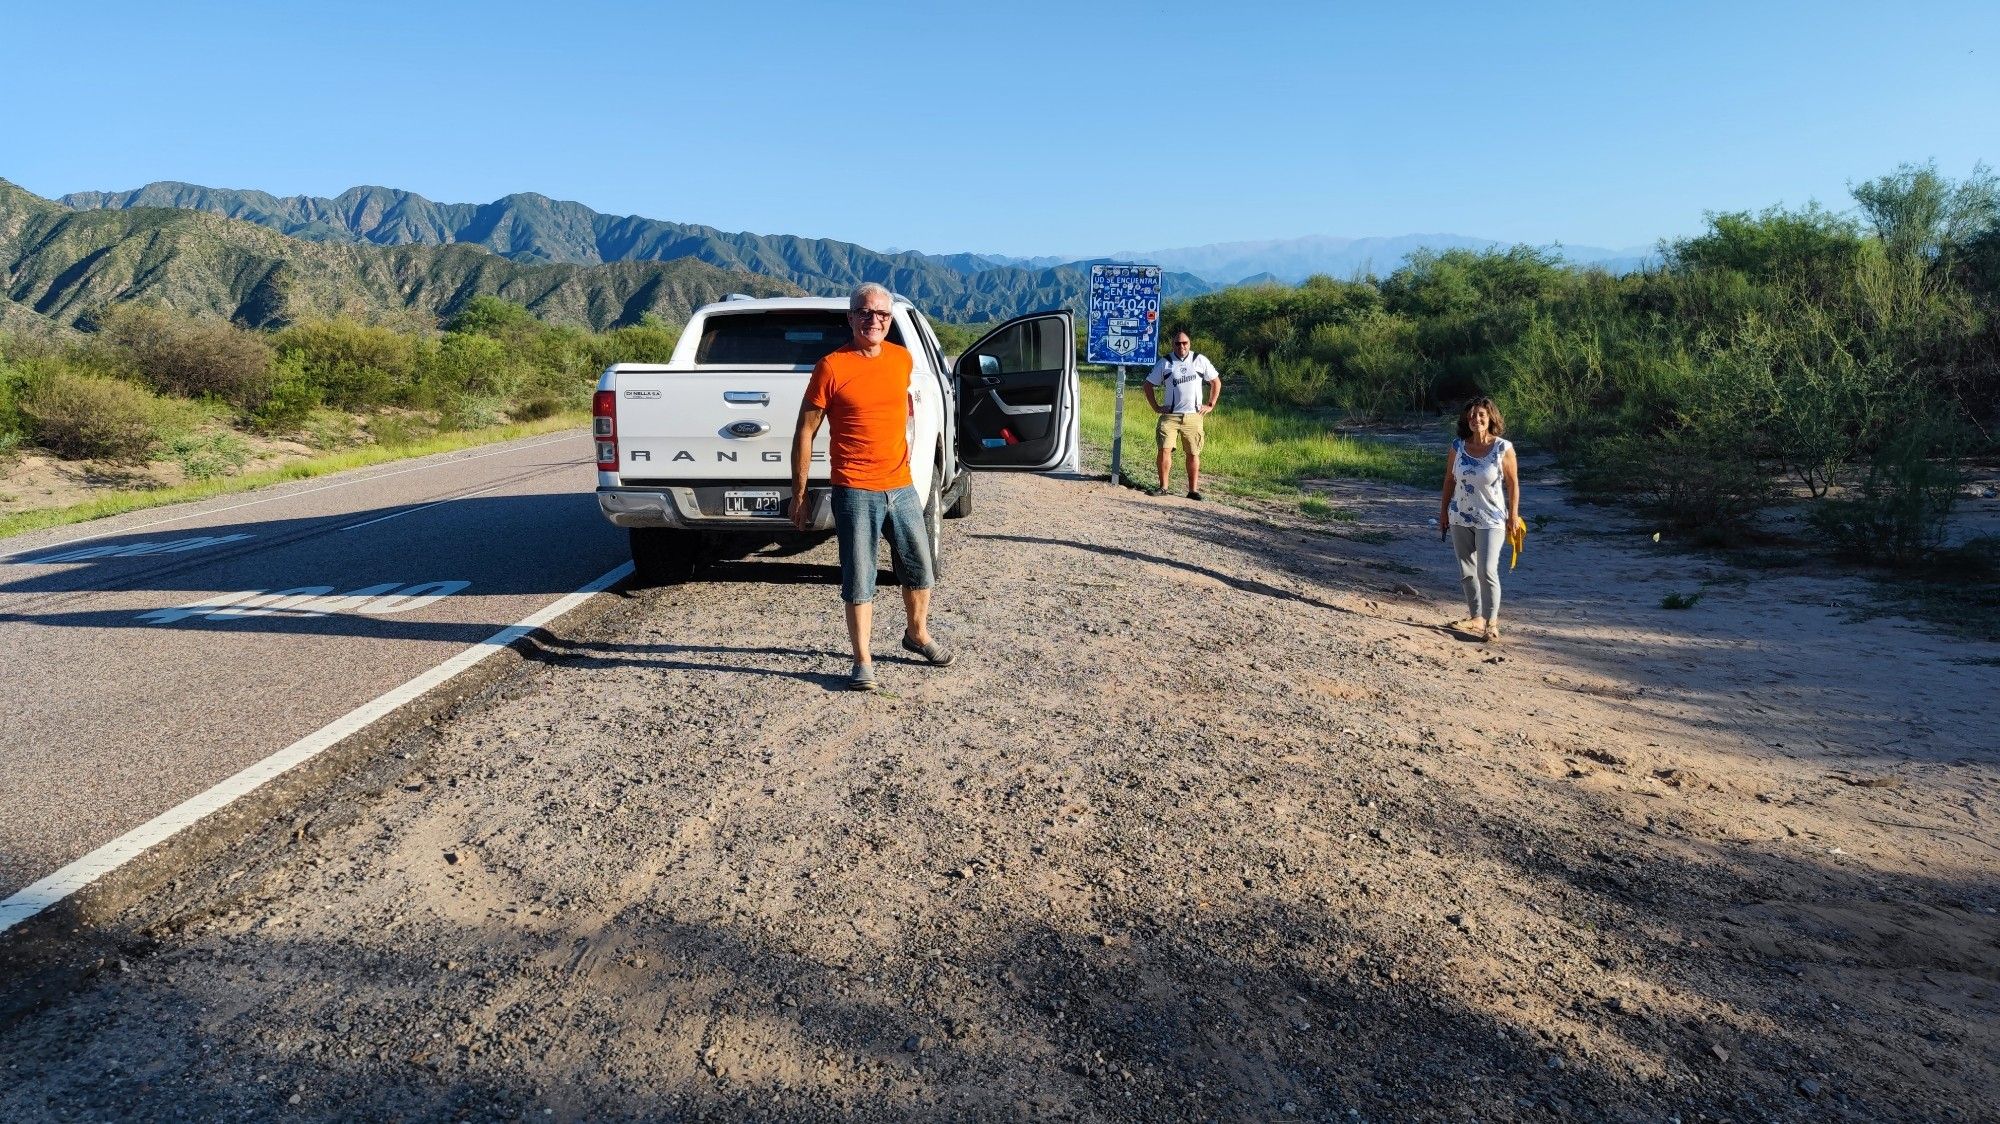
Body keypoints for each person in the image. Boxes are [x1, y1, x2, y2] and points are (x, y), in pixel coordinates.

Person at [790, 283, 953, 691]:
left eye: (882, 314)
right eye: (865, 312)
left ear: (890, 319)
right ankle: (862, 660)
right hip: (855, 488)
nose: (874, 320)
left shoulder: (901, 359)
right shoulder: (831, 367)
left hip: (900, 485)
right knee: (860, 576)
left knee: (919, 567)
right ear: (850, 317)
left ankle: (917, 634)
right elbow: (805, 431)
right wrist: (800, 494)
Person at [1438, 396, 1523, 643]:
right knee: (1467, 570)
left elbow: (1513, 483)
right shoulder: (1458, 447)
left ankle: (1492, 622)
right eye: (1472, 415)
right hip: (1460, 516)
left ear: (1490, 419)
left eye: (1481, 415)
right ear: (1467, 419)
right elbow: (1449, 480)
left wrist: (1513, 515)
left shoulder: (1502, 448)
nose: (1476, 419)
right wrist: (1443, 512)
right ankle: (1476, 617)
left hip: (1492, 518)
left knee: (1486, 570)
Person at [1143, 329, 1221, 499]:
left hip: (1193, 416)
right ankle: (1163, 487)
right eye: (1178, 343)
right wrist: (1156, 406)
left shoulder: (1199, 360)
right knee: (1164, 449)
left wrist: (1210, 404)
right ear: (1173, 345)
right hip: (1170, 416)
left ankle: (1193, 491)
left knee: (1193, 453)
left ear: (1189, 343)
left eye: (1184, 343)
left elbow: (1215, 381)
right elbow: (1148, 384)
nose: (1181, 346)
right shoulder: (1165, 362)